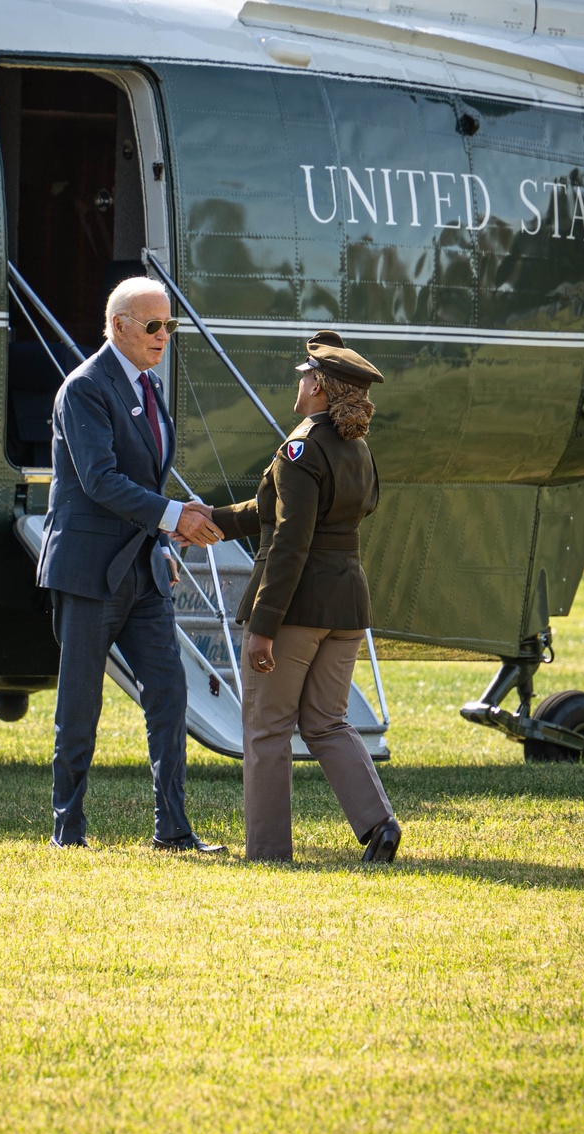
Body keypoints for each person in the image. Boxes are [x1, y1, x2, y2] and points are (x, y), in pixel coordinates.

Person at [36, 276, 226, 852]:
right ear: (118, 326)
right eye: (153, 325)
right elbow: (100, 481)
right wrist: (174, 518)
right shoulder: (84, 388)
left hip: (144, 568)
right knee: (80, 705)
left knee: (168, 692)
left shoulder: (149, 387)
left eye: (168, 326)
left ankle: (173, 831)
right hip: (88, 568)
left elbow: (145, 477)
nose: (163, 336)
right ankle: (67, 830)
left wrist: (161, 543)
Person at [210, 331, 401, 863]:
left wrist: (264, 626)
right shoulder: (356, 448)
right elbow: (278, 511)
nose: (298, 380)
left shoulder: (299, 448)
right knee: (326, 722)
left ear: (319, 386)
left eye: (304, 374)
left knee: (267, 728)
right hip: (346, 606)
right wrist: (215, 521)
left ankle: (268, 851)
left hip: (295, 609)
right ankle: (379, 825)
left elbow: (291, 540)